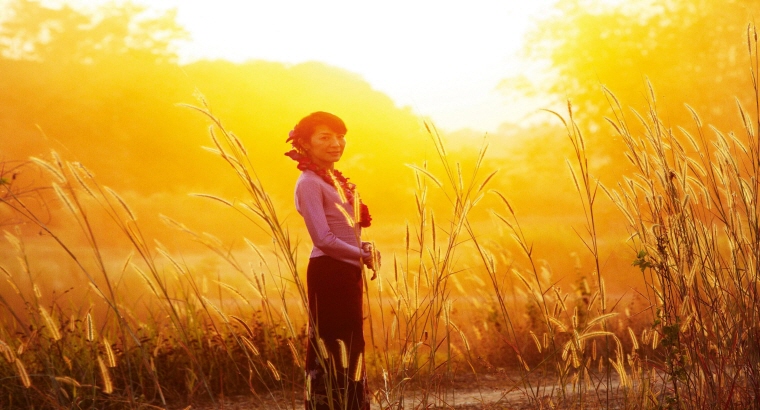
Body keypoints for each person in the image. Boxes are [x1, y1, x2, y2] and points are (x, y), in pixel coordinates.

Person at [285, 112, 379, 410]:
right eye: (325, 137)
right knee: (330, 347)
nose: (335, 143)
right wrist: (361, 254)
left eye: (339, 136)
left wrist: (363, 246)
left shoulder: (334, 181)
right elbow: (323, 239)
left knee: (352, 346)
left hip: (346, 270)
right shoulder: (308, 183)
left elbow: (345, 232)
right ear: (305, 144)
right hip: (328, 272)